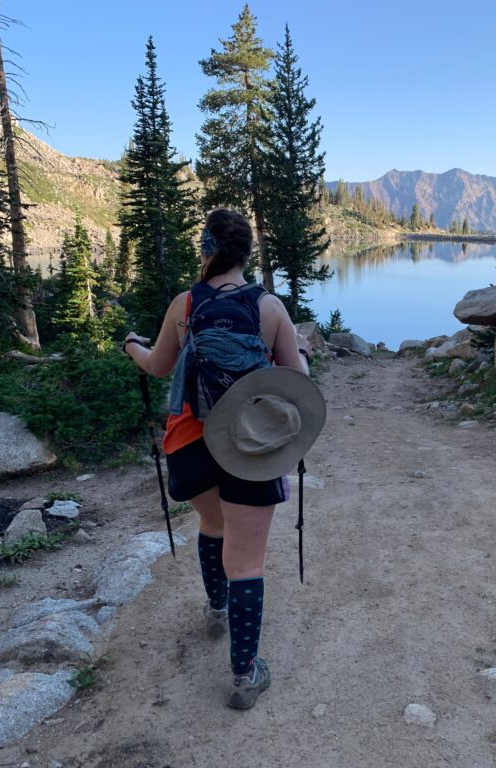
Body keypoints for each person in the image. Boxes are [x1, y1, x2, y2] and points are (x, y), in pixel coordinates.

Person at [123, 208, 311, 710]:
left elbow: (159, 366)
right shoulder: (270, 308)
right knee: (247, 559)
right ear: (248, 253)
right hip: (250, 446)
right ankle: (245, 675)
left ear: (205, 250)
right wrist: (303, 351)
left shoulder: (183, 305)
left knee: (211, 524)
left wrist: (131, 346)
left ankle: (216, 607)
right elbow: (296, 379)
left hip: (190, 442)